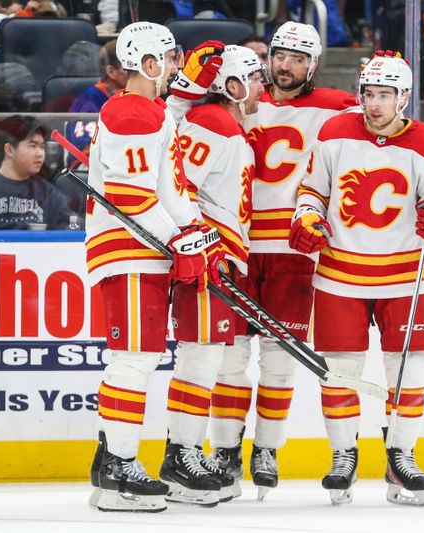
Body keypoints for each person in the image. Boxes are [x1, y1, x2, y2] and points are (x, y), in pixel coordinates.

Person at [289, 50, 424, 506]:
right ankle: (344, 455)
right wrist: (306, 218)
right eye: (369, 93)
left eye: (385, 95)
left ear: (403, 97)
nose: (374, 104)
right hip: (340, 275)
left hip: (406, 277)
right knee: (339, 371)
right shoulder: (334, 132)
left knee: (409, 368)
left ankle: (401, 455)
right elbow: (313, 191)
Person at [202, 22, 359, 501]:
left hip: (294, 251)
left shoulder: (337, 108)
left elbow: (382, 133)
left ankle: (267, 448)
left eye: (296, 58)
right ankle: (225, 449)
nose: (284, 66)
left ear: (313, 64)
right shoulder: (240, 99)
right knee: (229, 358)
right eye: (278, 56)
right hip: (237, 246)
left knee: (279, 359)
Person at [84, 21, 214, 514]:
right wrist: (180, 239)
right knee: (134, 359)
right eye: (169, 57)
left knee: (138, 358)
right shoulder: (133, 112)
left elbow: (167, 191)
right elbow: (130, 198)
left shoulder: (152, 112)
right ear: (150, 64)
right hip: (127, 249)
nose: (177, 66)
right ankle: (119, 468)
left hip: (145, 249)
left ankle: (108, 470)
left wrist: (198, 237)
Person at [162, 44, 267, 506]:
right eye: (256, 77)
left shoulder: (230, 125)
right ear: (233, 85)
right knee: (199, 355)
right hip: (207, 258)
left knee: (207, 356)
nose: (264, 85)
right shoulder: (212, 122)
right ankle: (181, 457)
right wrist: (201, 242)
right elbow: (175, 183)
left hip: (220, 256)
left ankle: (184, 453)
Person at [64, 39, 128, 170]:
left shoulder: (138, 96)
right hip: (91, 172)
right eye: (129, 65)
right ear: (111, 72)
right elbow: (83, 155)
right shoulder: (89, 100)